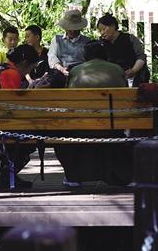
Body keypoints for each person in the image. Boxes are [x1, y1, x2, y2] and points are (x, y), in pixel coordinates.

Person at [55, 40, 133, 187]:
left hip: (81, 127)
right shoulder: (117, 70)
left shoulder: (75, 71)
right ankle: (118, 174)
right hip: (112, 127)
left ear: (85, 56)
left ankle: (73, 177)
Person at [0, 44, 40, 188]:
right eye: (31, 68)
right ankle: (6, 174)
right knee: (33, 136)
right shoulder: (11, 74)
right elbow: (12, 107)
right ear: (24, 63)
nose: (29, 72)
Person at [97, 14, 149, 86]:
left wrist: (133, 70)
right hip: (112, 80)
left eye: (104, 29)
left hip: (135, 77)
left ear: (113, 26)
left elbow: (141, 57)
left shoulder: (130, 39)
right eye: (100, 31)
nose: (102, 33)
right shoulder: (101, 44)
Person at [48, 9, 91, 76]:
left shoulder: (87, 42)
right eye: (70, 29)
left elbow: (90, 62)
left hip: (81, 74)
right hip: (59, 73)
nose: (72, 31)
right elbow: (52, 57)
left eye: (75, 29)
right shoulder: (57, 40)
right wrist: (61, 69)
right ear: (65, 28)